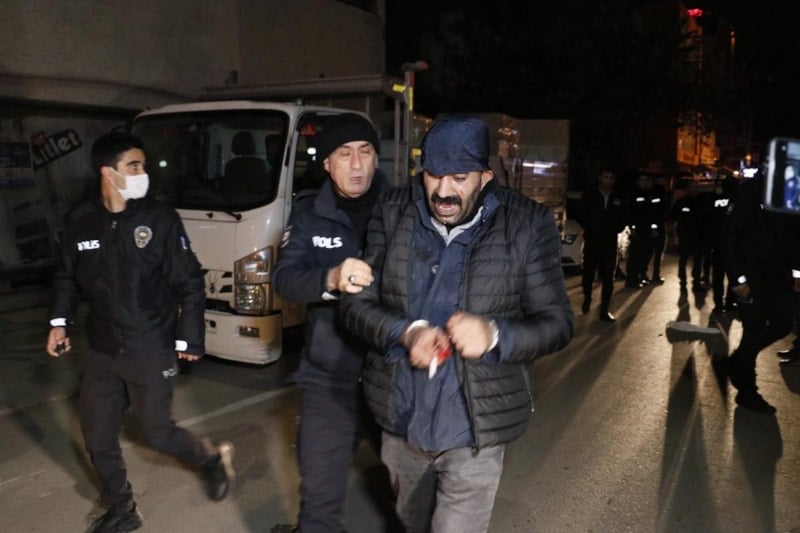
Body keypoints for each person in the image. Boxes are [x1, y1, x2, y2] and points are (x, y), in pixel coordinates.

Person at [339, 114, 574, 532]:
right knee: (410, 524)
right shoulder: (391, 212)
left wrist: (494, 334)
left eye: (459, 178)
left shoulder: (527, 224)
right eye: (433, 175)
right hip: (402, 421)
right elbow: (355, 305)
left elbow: (557, 324)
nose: (443, 192)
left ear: (485, 176)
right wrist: (405, 332)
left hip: (475, 431)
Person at [45, 132, 234, 532]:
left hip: (151, 345)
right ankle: (122, 508)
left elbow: (189, 281)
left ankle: (209, 458)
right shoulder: (80, 223)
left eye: (143, 166)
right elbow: (65, 278)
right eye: (134, 166)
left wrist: (189, 337)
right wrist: (59, 323)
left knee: (158, 433)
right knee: (97, 438)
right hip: (102, 349)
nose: (142, 173)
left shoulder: (160, 220)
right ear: (107, 173)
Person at [271, 113, 387, 533]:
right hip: (329, 379)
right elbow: (284, 279)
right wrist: (330, 279)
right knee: (318, 504)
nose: (356, 164)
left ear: (376, 158)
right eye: (344, 154)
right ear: (326, 163)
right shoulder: (309, 214)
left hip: (392, 378)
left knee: (416, 500)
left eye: (365, 152)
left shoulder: (403, 211)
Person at [720, 169, 796, 414]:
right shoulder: (750, 191)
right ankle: (747, 392)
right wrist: (737, 278)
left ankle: (735, 363)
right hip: (752, 277)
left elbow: (795, 236)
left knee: (783, 324)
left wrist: (797, 273)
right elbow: (729, 237)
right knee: (752, 332)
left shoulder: (789, 192)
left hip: (780, 276)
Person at [575, 168, 628, 321]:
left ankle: (604, 310)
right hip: (592, 240)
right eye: (606, 177)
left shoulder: (618, 197)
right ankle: (587, 297)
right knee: (588, 274)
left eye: (611, 178)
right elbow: (580, 214)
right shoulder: (590, 195)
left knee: (609, 277)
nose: (608, 180)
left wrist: (616, 228)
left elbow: (624, 216)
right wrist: (590, 228)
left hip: (609, 241)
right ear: (600, 178)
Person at [671, 179, 706, 292]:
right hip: (685, 235)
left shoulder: (702, 202)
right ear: (688, 189)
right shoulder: (681, 202)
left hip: (698, 236)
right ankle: (683, 281)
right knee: (683, 259)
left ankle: (696, 282)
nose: (694, 190)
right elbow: (674, 217)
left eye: (696, 187)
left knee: (698, 260)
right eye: (692, 187)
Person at [625, 173, 656, 288]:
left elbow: (651, 214)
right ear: (637, 181)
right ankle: (631, 279)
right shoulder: (633, 194)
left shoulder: (648, 194)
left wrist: (653, 229)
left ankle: (638, 276)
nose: (644, 182)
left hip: (646, 229)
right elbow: (630, 213)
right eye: (642, 180)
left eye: (646, 180)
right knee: (635, 254)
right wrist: (632, 228)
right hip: (637, 229)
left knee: (644, 254)